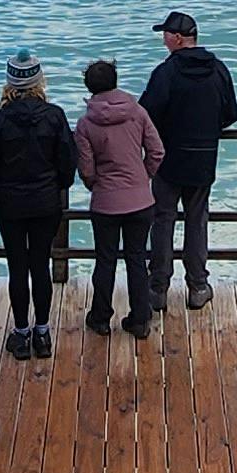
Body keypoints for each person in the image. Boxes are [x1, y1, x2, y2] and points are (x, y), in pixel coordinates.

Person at [136, 9, 237, 308]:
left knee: (163, 219)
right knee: (197, 220)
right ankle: (197, 286)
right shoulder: (218, 69)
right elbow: (231, 113)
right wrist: (207, 130)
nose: (163, 39)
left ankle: (158, 289)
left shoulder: (166, 72)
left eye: (165, 34)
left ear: (178, 39)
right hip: (204, 158)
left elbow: (146, 114)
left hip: (169, 159)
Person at [0, 51, 74, 358]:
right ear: (39, 80)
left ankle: (21, 333)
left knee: (17, 267)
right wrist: (58, 185)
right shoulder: (54, 116)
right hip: (46, 202)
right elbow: (68, 160)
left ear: (9, 83)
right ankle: (42, 332)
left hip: (10, 203)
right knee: (41, 265)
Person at [69, 58, 165, 338]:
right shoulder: (138, 112)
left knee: (105, 259)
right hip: (140, 200)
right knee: (136, 259)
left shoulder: (86, 124)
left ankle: (100, 317)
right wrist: (143, 177)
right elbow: (157, 151)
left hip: (105, 202)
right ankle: (140, 318)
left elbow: (86, 167)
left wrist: (95, 185)